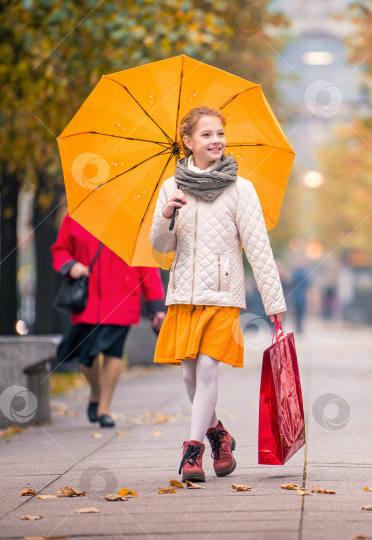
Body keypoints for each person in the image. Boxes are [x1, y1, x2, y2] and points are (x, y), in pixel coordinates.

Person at [149, 106, 287, 483]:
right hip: (184, 295)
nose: (216, 141)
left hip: (224, 295)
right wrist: (165, 216)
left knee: (208, 369)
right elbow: (160, 247)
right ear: (188, 141)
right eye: (207, 135)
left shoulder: (241, 189)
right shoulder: (171, 187)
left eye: (220, 134)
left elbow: (259, 247)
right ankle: (219, 435)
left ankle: (192, 451)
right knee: (189, 378)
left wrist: (274, 302)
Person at [52, 215, 166, 428]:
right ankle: (96, 391)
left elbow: (146, 261)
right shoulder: (77, 215)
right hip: (88, 300)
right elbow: (60, 250)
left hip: (123, 297)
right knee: (86, 357)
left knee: (113, 352)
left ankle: (105, 408)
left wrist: (155, 305)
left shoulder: (133, 218)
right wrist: (71, 265)